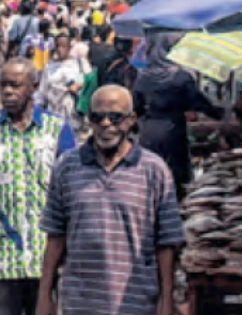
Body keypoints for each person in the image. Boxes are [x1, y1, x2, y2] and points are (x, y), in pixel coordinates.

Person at [38, 85, 184, 315]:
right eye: (98, 117)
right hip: (80, 303)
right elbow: (55, 236)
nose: (106, 124)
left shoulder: (154, 170)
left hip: (136, 303)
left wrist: (166, 302)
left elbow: (166, 243)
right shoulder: (66, 167)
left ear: (131, 120)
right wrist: (44, 296)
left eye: (115, 118)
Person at [0, 58, 76, 315]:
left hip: (46, 256)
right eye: (3, 86)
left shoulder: (57, 130)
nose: (8, 92)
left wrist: (72, 245)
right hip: (1, 256)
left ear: (34, 86)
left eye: (15, 85)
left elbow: (72, 192)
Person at [133, 32, 224, 197]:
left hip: (149, 130)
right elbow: (198, 102)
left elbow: (136, 107)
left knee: (152, 175)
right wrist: (221, 114)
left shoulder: (143, 77)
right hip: (173, 129)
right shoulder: (180, 77)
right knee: (176, 178)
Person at [38, 34, 84, 131]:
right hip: (52, 111)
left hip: (70, 111)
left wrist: (76, 86)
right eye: (57, 46)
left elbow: (80, 83)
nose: (59, 49)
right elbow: (42, 91)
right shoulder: (49, 66)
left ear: (69, 47)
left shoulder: (76, 64)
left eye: (63, 46)